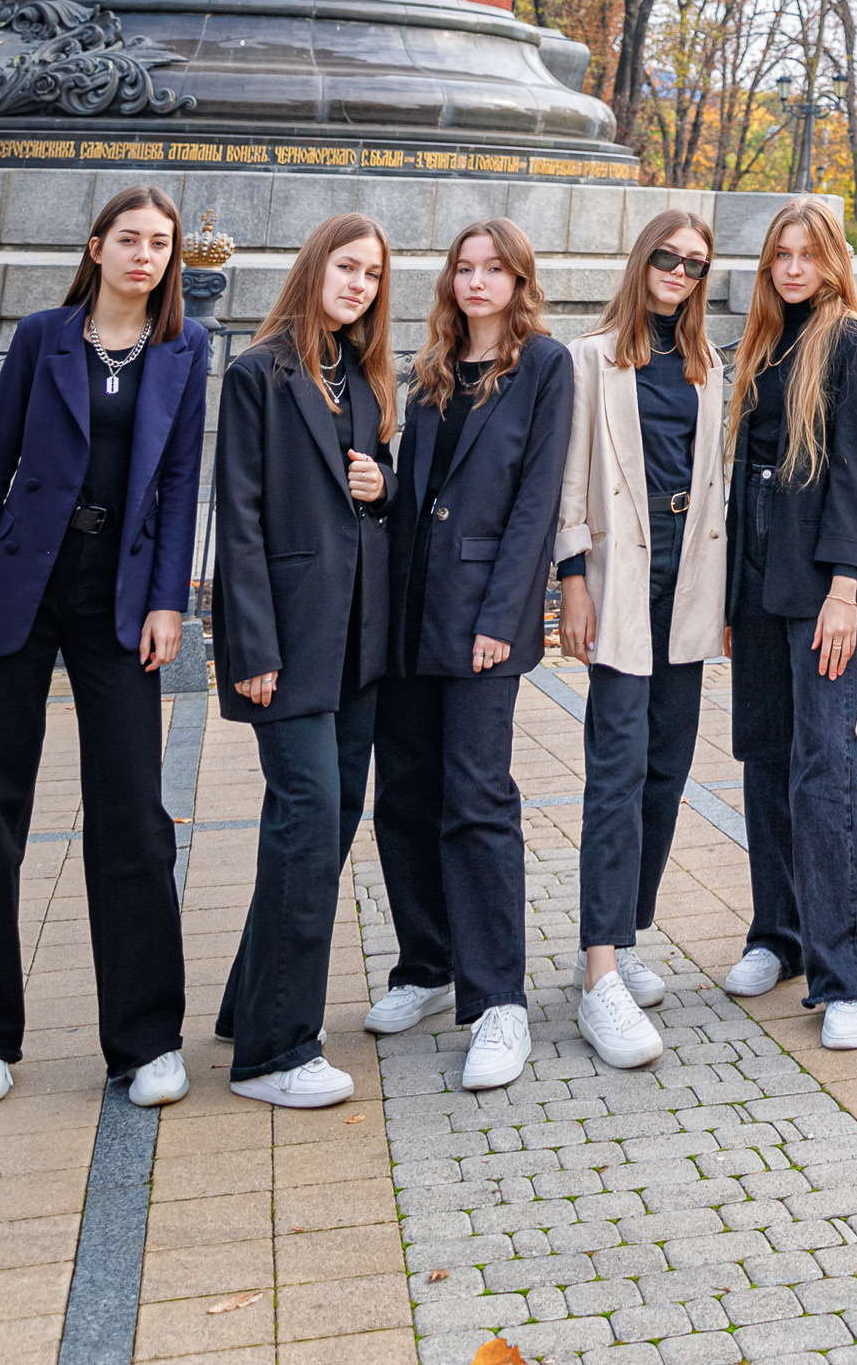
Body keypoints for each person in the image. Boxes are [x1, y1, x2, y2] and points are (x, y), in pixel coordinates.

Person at [0, 187, 207, 1110]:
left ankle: (145, 1040)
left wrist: (168, 603)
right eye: (129, 239)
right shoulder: (40, 336)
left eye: (160, 243)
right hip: (22, 589)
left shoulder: (184, 348)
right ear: (97, 248)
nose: (145, 255)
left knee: (133, 810)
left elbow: (181, 484)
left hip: (120, 599)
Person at [366, 222, 571, 1093]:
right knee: (404, 788)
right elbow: (419, 490)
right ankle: (425, 961)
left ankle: (498, 1000)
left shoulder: (545, 366)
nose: (476, 280)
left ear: (518, 280)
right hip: (411, 611)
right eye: (464, 267)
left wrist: (506, 617)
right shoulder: (432, 369)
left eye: (494, 269)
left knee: (478, 796)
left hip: (484, 616)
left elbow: (536, 501)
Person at [211, 213, 398, 1107]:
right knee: (307, 819)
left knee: (328, 819)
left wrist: (384, 482)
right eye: (347, 266)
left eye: (373, 273)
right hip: (283, 643)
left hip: (358, 642)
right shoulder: (258, 374)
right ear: (314, 267)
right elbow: (237, 518)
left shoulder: (357, 375)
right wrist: (248, 644)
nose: (359, 283)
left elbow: (375, 480)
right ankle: (275, 1052)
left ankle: (251, 1001)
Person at [556, 209, 729, 1069]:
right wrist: (572, 583)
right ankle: (597, 973)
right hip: (620, 580)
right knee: (615, 770)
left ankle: (625, 935)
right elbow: (568, 480)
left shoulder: (707, 367)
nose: (678, 272)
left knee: (666, 769)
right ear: (642, 261)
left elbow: (714, 487)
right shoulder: (590, 358)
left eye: (694, 264)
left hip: (686, 585)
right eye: (666, 257)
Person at [720, 197, 857, 1052]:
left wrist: (845, 589)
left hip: (819, 585)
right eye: (779, 254)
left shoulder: (851, 343)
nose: (791, 267)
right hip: (755, 583)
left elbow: (856, 475)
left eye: (805, 253)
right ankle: (776, 934)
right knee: (765, 758)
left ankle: (844, 970)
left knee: (824, 767)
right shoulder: (760, 340)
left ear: (831, 259)